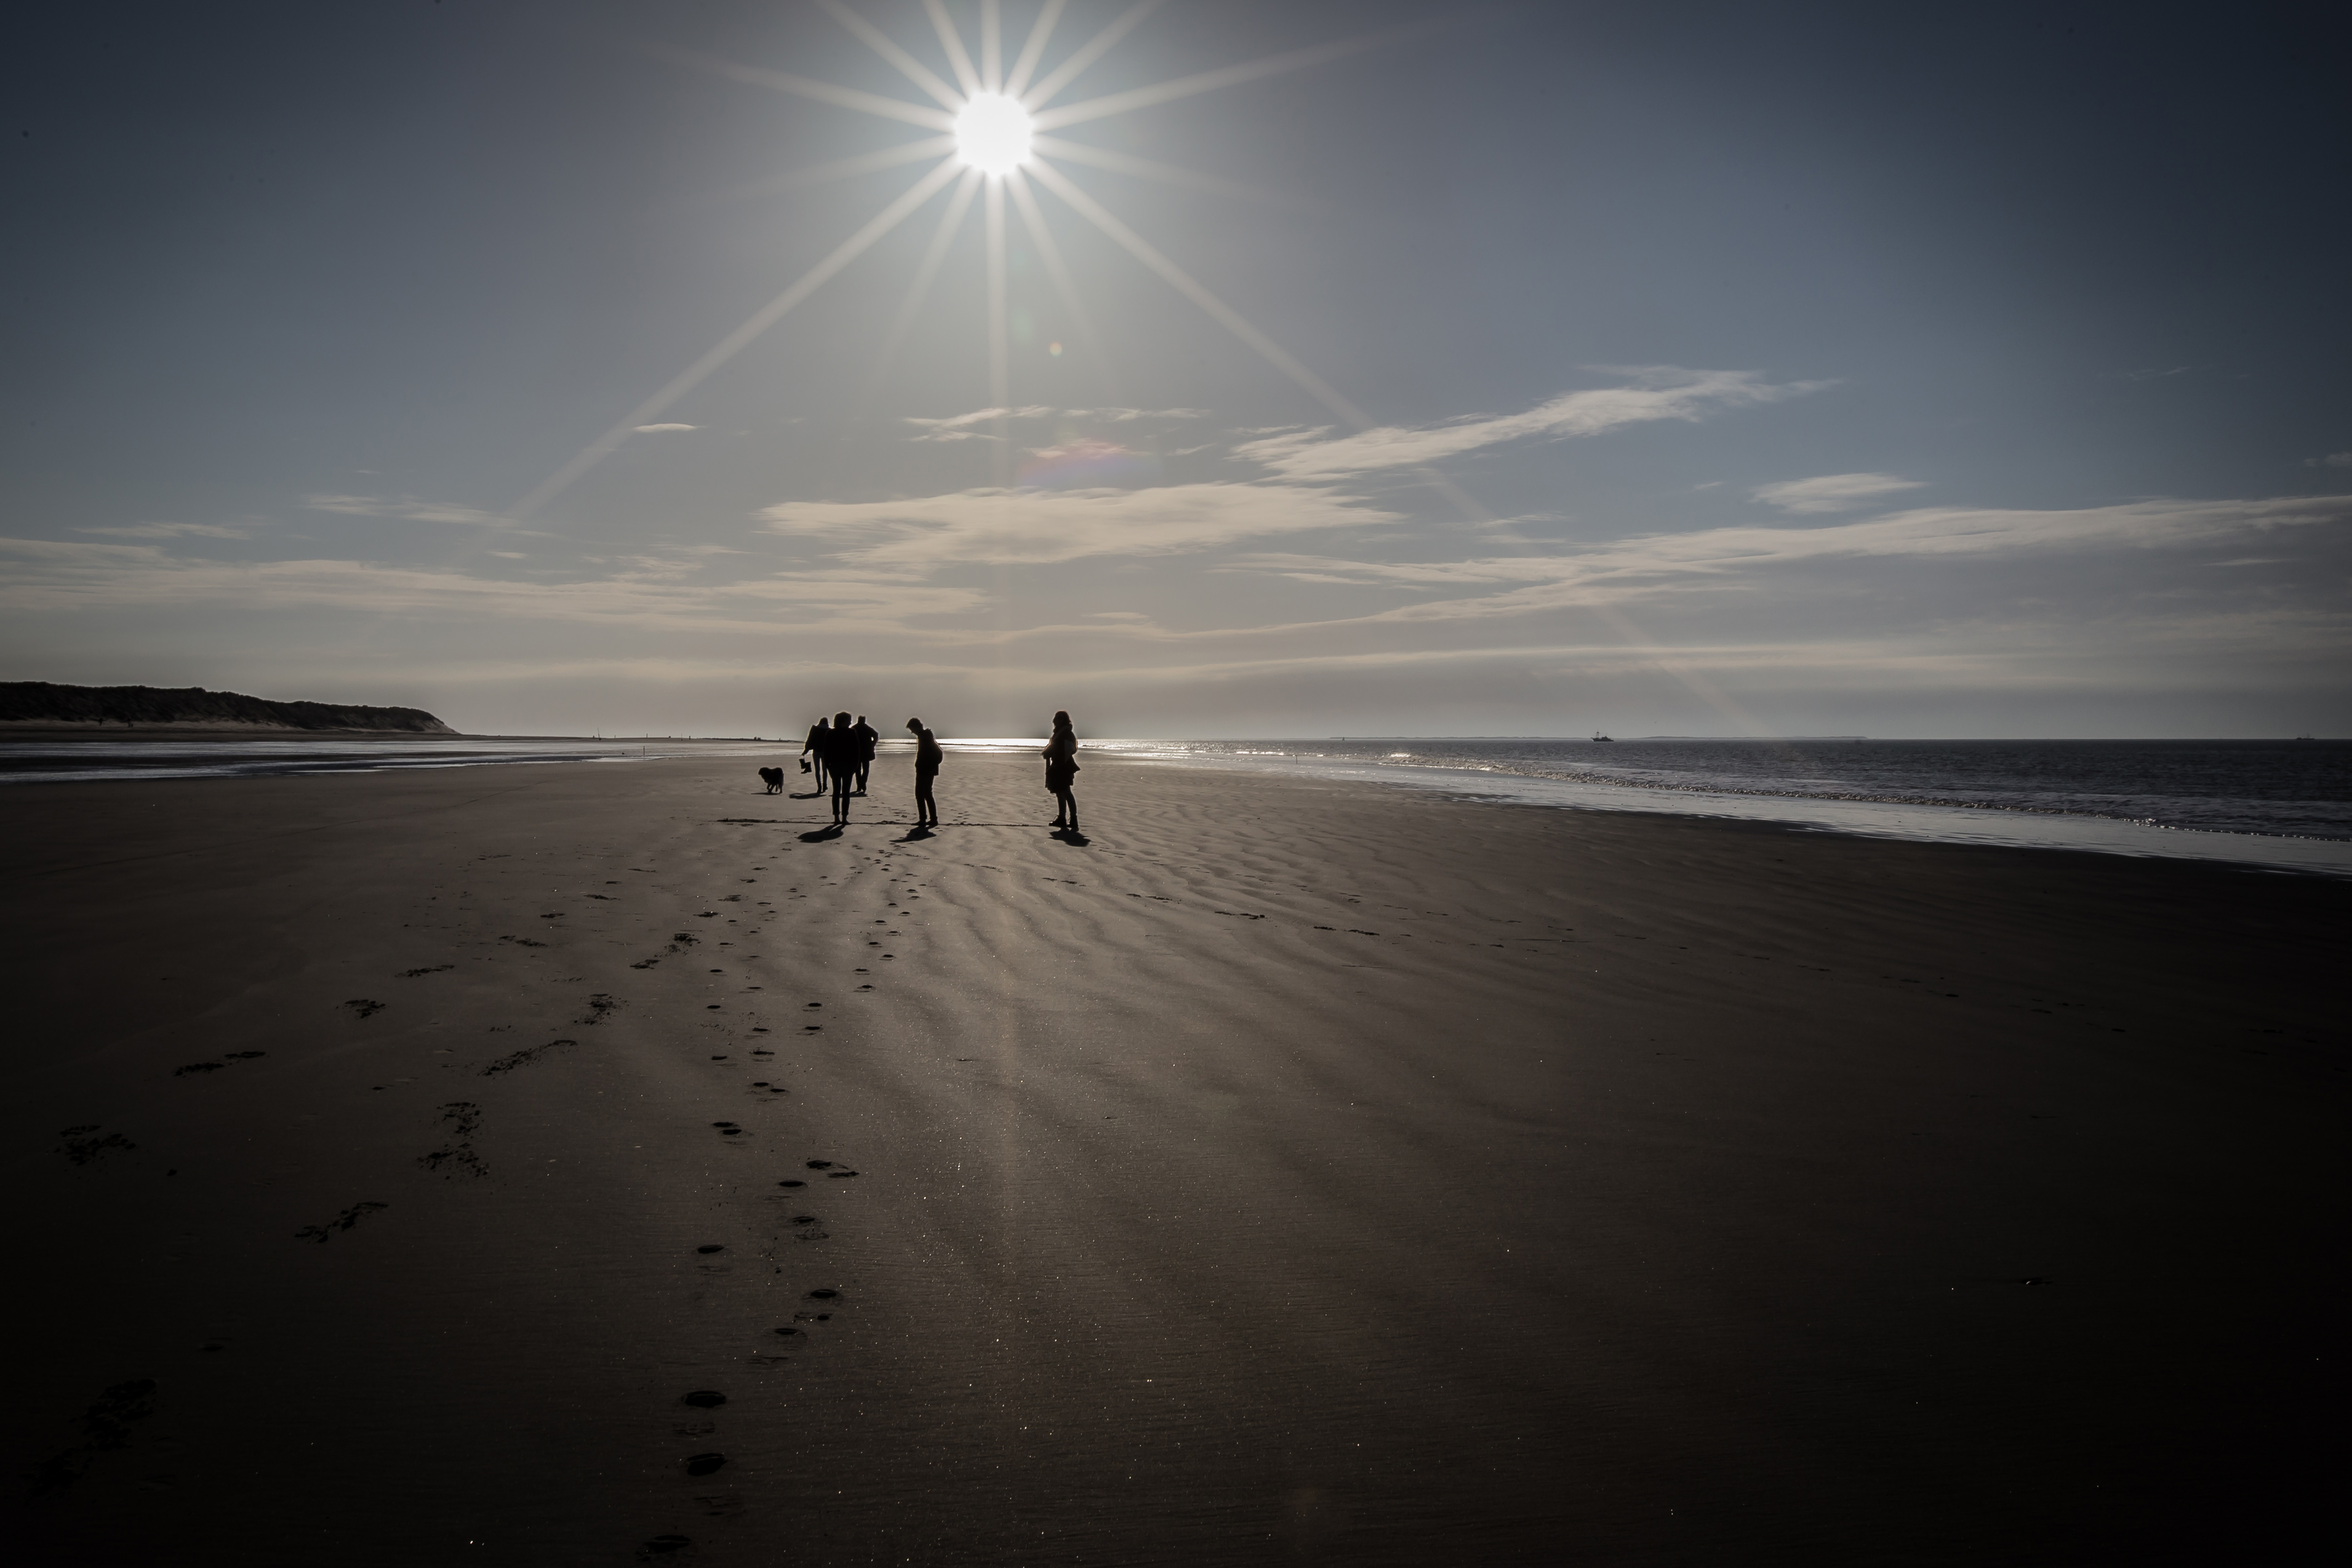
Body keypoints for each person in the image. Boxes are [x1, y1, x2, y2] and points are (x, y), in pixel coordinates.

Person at [1042, 710, 1080, 831]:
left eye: (1058, 720)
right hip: (1058, 765)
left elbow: (1070, 749)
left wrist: (1052, 752)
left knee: (1066, 792)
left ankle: (1073, 819)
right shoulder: (1059, 733)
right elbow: (1055, 746)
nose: (1056, 722)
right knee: (1060, 792)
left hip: (1064, 766)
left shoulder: (1066, 733)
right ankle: (1062, 818)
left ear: (1063, 720)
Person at [821, 711, 859, 825]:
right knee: (843, 792)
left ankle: (839, 818)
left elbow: (826, 751)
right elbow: (856, 751)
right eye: (849, 720)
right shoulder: (851, 733)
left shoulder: (831, 733)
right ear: (843, 721)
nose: (851, 722)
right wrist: (855, 766)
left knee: (838, 792)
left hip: (838, 766)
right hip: (843, 766)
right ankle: (841, 818)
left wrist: (828, 765)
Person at [906, 718, 943, 828]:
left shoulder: (924, 737)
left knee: (922, 794)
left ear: (916, 727)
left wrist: (931, 767)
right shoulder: (925, 736)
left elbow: (936, 754)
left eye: (912, 729)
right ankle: (930, 819)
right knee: (926, 794)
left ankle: (926, 819)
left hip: (926, 770)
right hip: (926, 769)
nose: (912, 732)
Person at [800, 716, 831, 792]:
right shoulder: (829, 731)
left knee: (817, 770)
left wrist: (806, 751)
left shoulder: (815, 729)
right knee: (825, 770)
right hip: (826, 753)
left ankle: (819, 787)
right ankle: (825, 785)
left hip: (816, 751)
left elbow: (810, 740)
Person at [851, 715, 880, 795]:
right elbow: (876, 735)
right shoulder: (867, 728)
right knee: (866, 768)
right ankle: (863, 783)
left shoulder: (854, 728)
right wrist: (872, 744)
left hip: (857, 751)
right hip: (866, 751)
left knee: (858, 769)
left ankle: (860, 784)